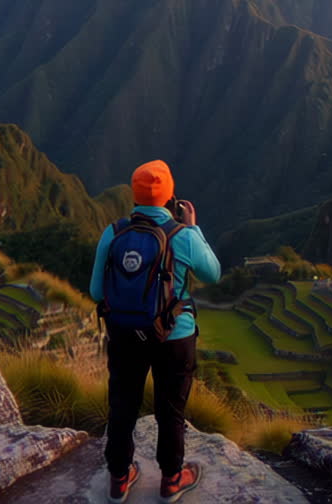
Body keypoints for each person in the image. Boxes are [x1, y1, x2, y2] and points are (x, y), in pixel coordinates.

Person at [90, 160, 221, 504]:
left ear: (133, 195)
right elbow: (213, 274)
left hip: (124, 336)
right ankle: (172, 481)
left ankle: (119, 479)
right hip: (174, 338)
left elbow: (95, 292)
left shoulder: (114, 232)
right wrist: (194, 229)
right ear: (170, 197)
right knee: (171, 410)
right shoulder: (181, 235)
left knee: (122, 405)